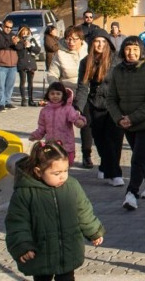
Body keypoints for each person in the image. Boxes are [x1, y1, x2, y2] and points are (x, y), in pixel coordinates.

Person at [5, 141, 104, 281]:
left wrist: (93, 231)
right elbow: (17, 223)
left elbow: (84, 211)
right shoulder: (25, 192)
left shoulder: (72, 186)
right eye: (56, 173)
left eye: (66, 170)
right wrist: (22, 246)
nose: (63, 176)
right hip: (40, 252)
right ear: (38, 171)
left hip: (68, 250)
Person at [107, 36, 145, 211]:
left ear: (141, 51)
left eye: (135, 49)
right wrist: (119, 118)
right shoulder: (117, 71)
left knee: (137, 157)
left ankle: (131, 193)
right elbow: (111, 99)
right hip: (126, 122)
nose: (131, 53)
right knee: (141, 155)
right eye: (128, 49)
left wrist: (133, 118)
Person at [75, 29, 124, 186]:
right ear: (92, 43)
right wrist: (78, 108)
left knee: (113, 139)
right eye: (97, 41)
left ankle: (115, 174)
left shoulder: (116, 60)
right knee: (100, 139)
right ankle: (105, 165)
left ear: (108, 43)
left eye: (104, 42)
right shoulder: (85, 62)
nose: (100, 45)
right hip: (95, 103)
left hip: (115, 105)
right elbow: (82, 87)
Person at [47, 26, 93, 168]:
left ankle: (87, 155)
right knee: (63, 126)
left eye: (74, 39)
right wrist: (58, 88)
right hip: (67, 93)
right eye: (68, 39)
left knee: (86, 124)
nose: (71, 42)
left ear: (81, 39)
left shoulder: (89, 51)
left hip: (84, 92)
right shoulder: (60, 54)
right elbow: (52, 74)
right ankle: (62, 154)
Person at [30, 82, 87, 166]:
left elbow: (75, 117)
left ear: (63, 95)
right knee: (52, 166)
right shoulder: (44, 111)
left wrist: (79, 122)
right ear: (48, 95)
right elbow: (42, 128)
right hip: (51, 145)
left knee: (66, 164)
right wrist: (35, 135)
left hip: (66, 145)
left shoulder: (68, 109)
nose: (55, 96)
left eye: (58, 94)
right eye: (52, 94)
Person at [0, 19, 21, 112]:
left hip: (12, 64)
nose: (8, 29)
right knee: (0, 85)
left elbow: (19, 47)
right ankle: (0, 104)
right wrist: (12, 42)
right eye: (7, 27)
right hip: (0, 64)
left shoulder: (13, 35)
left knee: (10, 85)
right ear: (3, 25)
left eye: (10, 28)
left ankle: (7, 101)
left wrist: (16, 43)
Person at [15, 26, 41, 107]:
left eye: (26, 31)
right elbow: (17, 48)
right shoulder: (17, 40)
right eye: (23, 31)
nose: (25, 33)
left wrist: (30, 46)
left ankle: (31, 99)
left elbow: (37, 50)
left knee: (30, 82)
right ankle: (23, 99)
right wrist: (22, 43)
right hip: (22, 62)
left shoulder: (32, 39)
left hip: (31, 63)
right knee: (22, 81)